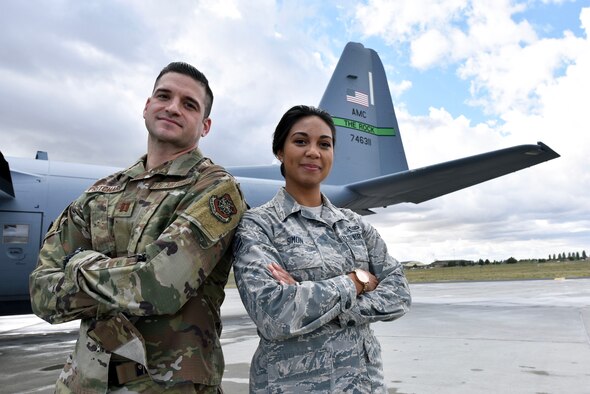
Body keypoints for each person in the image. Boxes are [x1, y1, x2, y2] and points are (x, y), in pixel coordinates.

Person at [29, 62, 247, 393]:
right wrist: (126, 284)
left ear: (205, 125)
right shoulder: (101, 191)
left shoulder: (214, 188)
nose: (173, 107)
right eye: (164, 96)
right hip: (85, 384)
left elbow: (158, 286)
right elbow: (42, 293)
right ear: (147, 106)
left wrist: (77, 263)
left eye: (189, 104)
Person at [232, 105, 412, 393]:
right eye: (300, 141)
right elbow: (275, 314)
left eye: (324, 144)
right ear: (280, 151)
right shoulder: (258, 225)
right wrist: (357, 282)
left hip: (363, 384)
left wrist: (314, 300)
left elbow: (400, 293)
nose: (313, 152)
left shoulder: (354, 225)